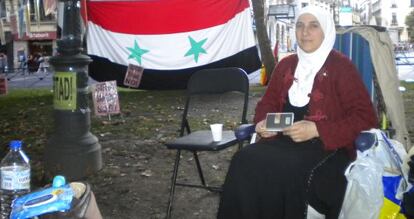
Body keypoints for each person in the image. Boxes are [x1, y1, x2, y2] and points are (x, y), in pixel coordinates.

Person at [217, 6, 378, 219]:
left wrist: (318, 130)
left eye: (313, 26)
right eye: (300, 26)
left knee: (287, 169)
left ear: (326, 30)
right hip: (282, 143)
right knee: (243, 159)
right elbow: (267, 104)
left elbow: (365, 118)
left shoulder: (341, 68)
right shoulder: (286, 65)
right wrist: (262, 124)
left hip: (328, 148)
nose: (305, 32)